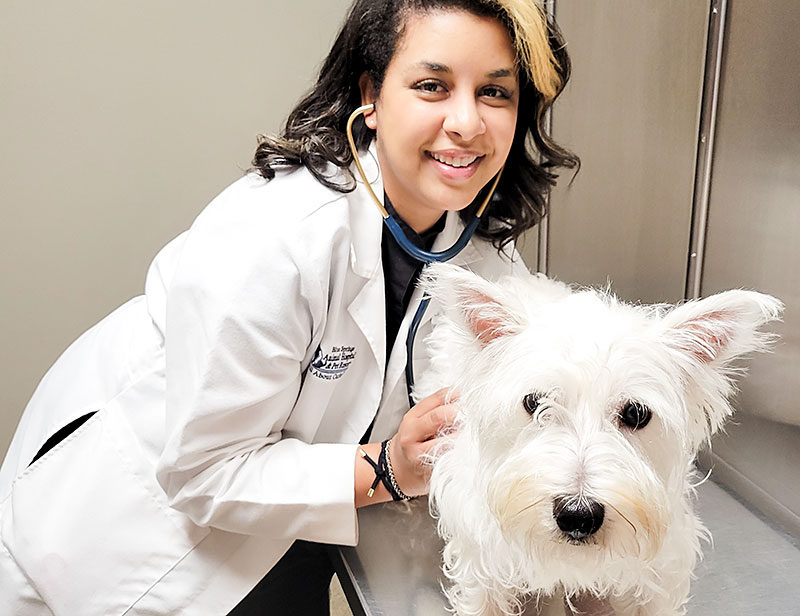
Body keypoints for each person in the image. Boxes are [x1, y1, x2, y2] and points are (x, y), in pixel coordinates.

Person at [0, 0, 577, 614]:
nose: (466, 122)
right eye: (432, 85)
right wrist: (389, 467)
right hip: (141, 537)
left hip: (299, 529)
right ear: (371, 96)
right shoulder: (273, 239)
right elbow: (203, 474)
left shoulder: (481, 257)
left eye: (495, 92)